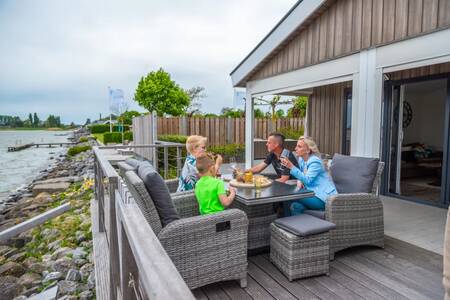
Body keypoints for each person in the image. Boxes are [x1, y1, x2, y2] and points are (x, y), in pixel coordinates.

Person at [281, 136, 337, 216]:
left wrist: (291, 166)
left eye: (299, 146)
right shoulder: (302, 159)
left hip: (323, 198)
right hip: (311, 193)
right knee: (296, 206)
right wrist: (299, 180)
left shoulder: (315, 161)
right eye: (297, 146)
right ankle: (297, 227)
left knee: (288, 196)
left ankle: (286, 224)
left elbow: (307, 180)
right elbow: (302, 173)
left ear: (308, 150)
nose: (295, 148)